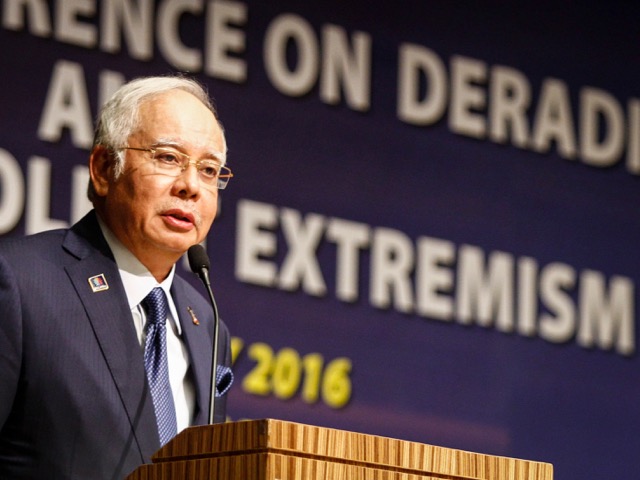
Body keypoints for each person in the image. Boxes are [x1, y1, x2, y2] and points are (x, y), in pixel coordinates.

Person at [0, 76, 234, 479]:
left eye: (209, 169)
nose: (190, 186)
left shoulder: (207, 326)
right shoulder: (21, 282)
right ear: (104, 169)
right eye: (167, 158)